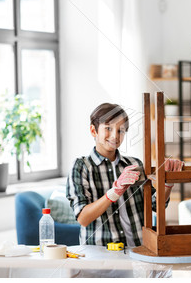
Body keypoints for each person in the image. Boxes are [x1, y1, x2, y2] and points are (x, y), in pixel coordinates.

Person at [67, 102, 183, 247]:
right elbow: (83, 218)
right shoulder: (81, 166)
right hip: (99, 255)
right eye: (108, 128)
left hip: (138, 249)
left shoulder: (134, 164)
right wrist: (114, 192)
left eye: (121, 130)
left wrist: (167, 184)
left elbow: (154, 205)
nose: (115, 136)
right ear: (93, 130)